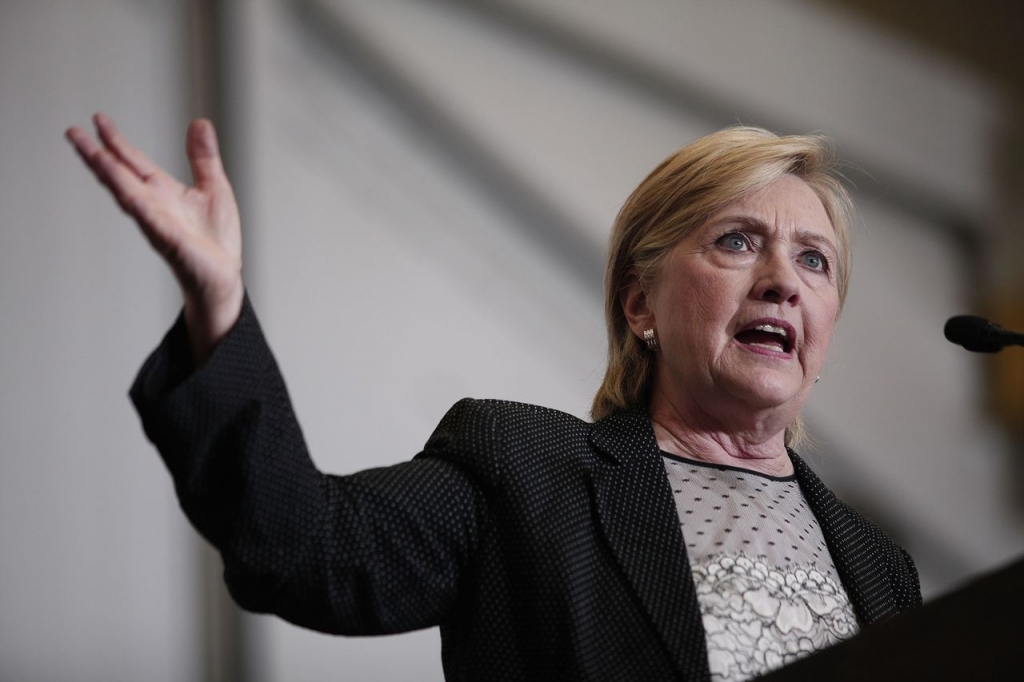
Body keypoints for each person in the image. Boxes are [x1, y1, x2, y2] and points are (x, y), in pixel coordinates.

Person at [66, 114, 921, 682]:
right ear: (640, 305)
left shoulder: (880, 566)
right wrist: (218, 309)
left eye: (814, 260)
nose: (783, 282)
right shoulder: (525, 472)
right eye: (739, 241)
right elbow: (305, 547)